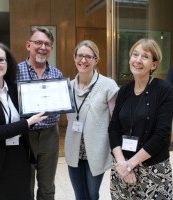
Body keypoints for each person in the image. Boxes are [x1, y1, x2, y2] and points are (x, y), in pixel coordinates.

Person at [0, 40, 47, 200]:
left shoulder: (14, 88)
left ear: (7, 62)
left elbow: (28, 110)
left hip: (19, 160)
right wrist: (27, 122)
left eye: (1, 60)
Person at [108, 38, 173, 199]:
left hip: (153, 171)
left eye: (145, 56)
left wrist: (130, 165)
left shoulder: (163, 89)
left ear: (154, 64)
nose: (138, 60)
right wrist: (122, 164)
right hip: (121, 167)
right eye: (135, 55)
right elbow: (113, 128)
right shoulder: (124, 90)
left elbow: (162, 134)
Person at [65, 40, 119, 200]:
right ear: (74, 58)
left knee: (92, 195)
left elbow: (116, 121)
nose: (83, 60)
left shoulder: (108, 86)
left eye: (89, 56)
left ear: (96, 60)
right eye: (80, 56)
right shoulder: (67, 86)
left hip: (96, 151)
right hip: (74, 150)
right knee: (79, 195)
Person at [17, 26, 63, 200]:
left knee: (47, 186)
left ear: (51, 49)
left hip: (50, 134)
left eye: (48, 44)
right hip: (24, 135)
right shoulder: (15, 72)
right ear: (28, 45)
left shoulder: (57, 74)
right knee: (24, 184)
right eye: (38, 42)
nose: (43, 47)